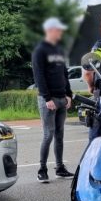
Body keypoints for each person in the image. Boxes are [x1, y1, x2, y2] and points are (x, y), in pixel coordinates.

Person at [32, 17, 74, 183]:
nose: (61, 32)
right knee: (48, 135)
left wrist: (69, 94)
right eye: (58, 30)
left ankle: (60, 168)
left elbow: (64, 74)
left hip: (62, 98)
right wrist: (47, 98)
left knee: (60, 135)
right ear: (50, 30)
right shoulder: (40, 50)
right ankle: (42, 170)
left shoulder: (59, 50)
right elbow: (39, 76)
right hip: (48, 100)